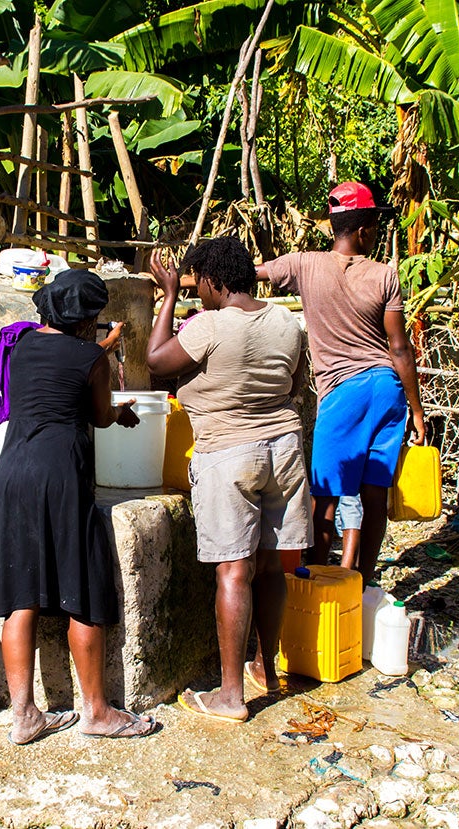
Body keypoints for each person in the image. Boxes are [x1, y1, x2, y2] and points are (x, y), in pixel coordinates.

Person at [0, 269, 159, 743]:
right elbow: (100, 414)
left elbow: (61, 369)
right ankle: (97, 712)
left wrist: (100, 349)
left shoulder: (20, 348)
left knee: (21, 597)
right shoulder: (90, 357)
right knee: (82, 591)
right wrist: (122, 411)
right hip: (60, 476)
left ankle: (24, 715)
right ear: (86, 319)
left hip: (11, 474)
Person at [147, 237, 312, 723]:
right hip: (284, 449)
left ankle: (230, 695)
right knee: (270, 566)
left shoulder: (211, 325)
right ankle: (267, 668)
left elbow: (156, 363)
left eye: (200, 287)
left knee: (233, 570)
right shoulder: (287, 321)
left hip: (229, 453)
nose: (199, 297)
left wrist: (170, 295)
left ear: (217, 281)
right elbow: (297, 385)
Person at [257, 181, 426, 587]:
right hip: (387, 390)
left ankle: (314, 585)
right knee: (373, 497)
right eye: (376, 227)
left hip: (343, 394)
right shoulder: (385, 275)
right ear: (365, 231)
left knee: (325, 501)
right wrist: (417, 409)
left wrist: (181, 285)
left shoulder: (303, 264)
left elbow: (249, 274)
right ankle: (362, 585)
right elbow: (400, 349)